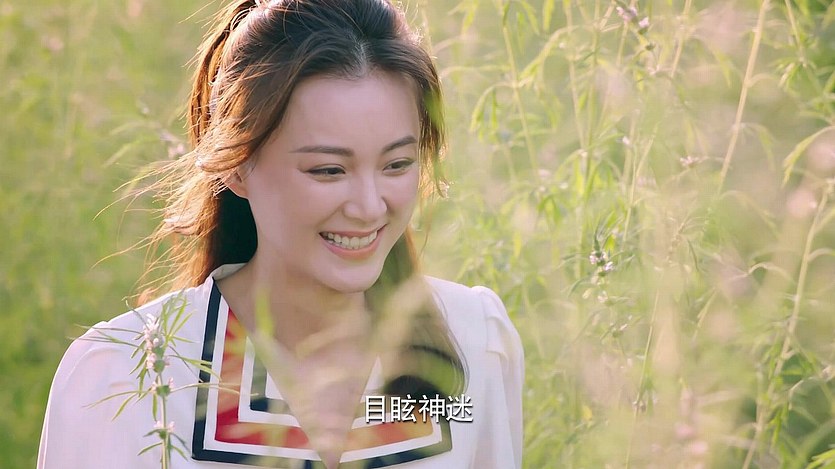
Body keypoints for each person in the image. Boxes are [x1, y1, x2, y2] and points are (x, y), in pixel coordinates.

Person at [37, 0, 524, 467]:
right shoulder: (130, 377)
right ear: (236, 166)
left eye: (396, 164)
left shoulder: (473, 339)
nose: (370, 206)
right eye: (329, 170)